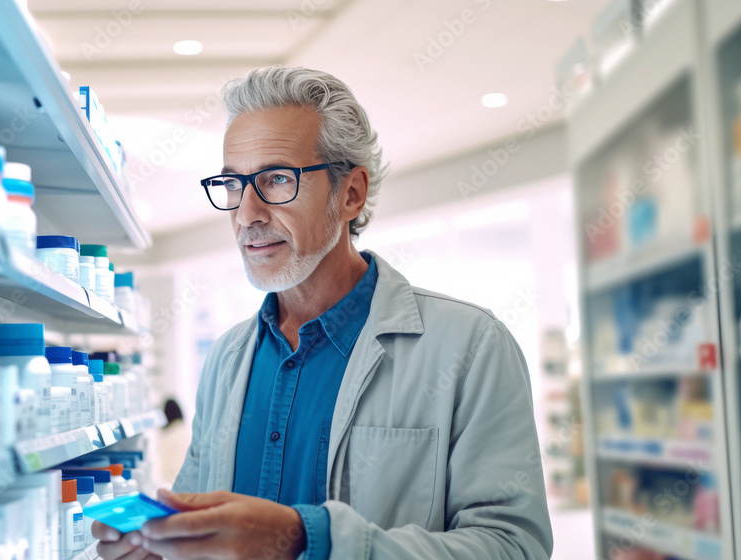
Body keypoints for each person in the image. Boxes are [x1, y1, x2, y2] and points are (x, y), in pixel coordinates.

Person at [94, 66, 553, 560]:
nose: (247, 213)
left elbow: (513, 545)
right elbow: (196, 515)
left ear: (350, 193)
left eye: (275, 179)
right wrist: (164, 545)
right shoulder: (227, 357)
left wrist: (306, 539)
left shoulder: (471, 346)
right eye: (233, 184)